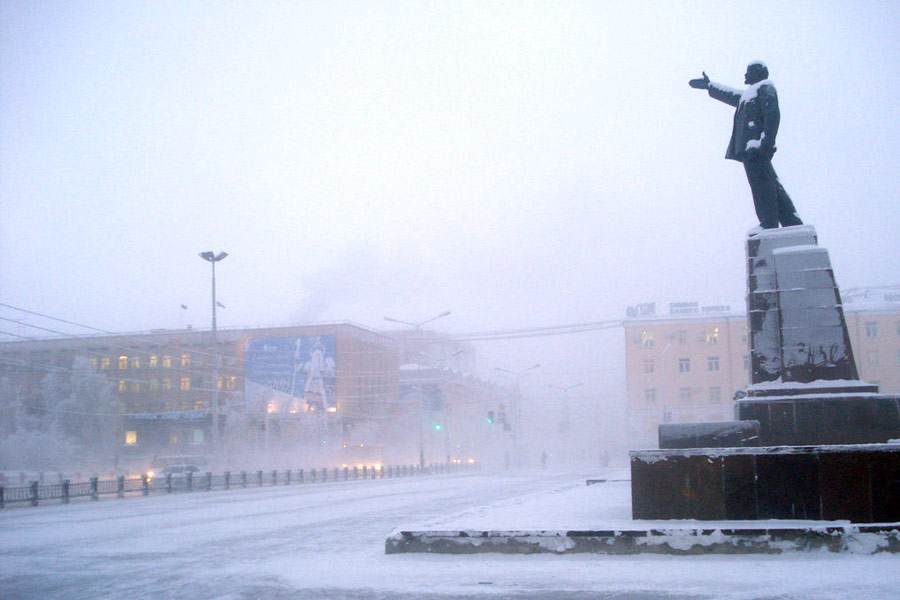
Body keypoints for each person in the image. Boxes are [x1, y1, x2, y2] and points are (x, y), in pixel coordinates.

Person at [689, 61, 802, 230]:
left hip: (755, 149)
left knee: (762, 186)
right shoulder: (749, 94)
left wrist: (764, 144)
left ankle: (768, 223)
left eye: (748, 72)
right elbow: (731, 95)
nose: (745, 75)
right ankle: (792, 221)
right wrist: (709, 86)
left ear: (758, 73)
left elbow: (772, 115)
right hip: (751, 149)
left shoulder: (765, 88)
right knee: (771, 184)